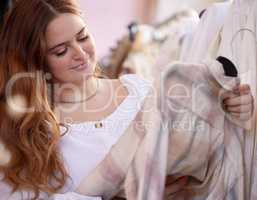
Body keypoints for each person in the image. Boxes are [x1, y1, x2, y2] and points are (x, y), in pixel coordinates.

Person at [0, 0, 253, 200]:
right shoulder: (27, 131)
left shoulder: (138, 90)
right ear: (34, 60)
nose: (80, 54)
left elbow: (198, 145)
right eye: (61, 50)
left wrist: (233, 111)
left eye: (83, 37)